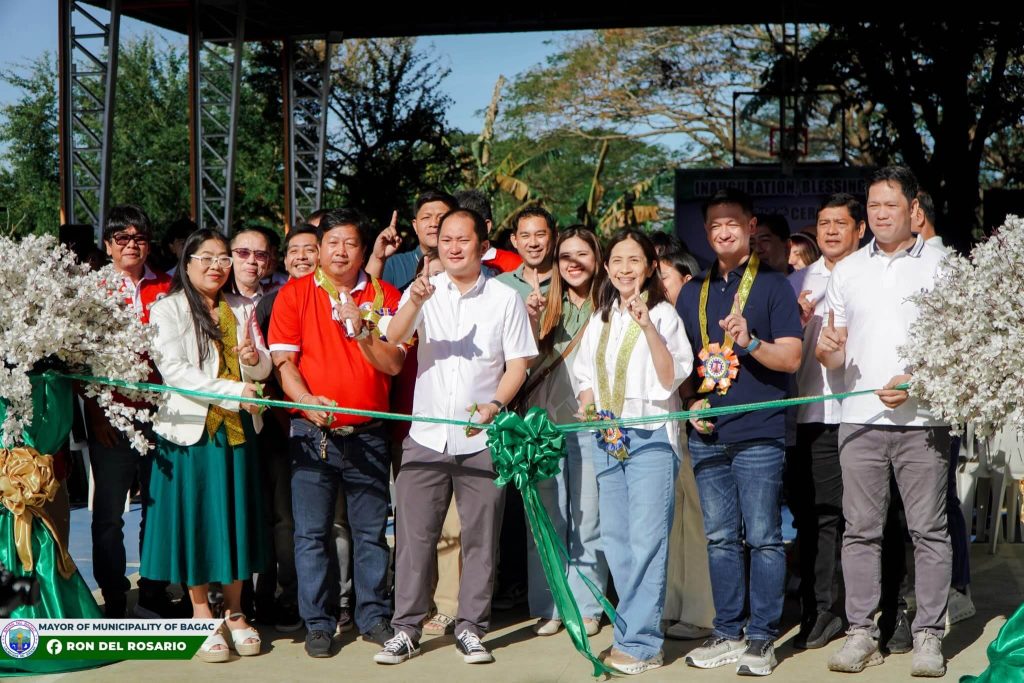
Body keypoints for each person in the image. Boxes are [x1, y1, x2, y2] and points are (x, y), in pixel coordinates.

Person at [374, 208, 536, 666]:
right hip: (425, 436)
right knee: (414, 537)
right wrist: (416, 301)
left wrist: (494, 406)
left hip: (481, 440)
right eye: (446, 239)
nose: (454, 246)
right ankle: (406, 628)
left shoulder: (505, 297)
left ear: (483, 246)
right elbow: (392, 337)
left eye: (463, 239)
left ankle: (471, 627)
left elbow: (518, 364)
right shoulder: (425, 290)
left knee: (480, 538)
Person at [819, 166, 951, 678]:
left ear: (913, 209)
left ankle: (928, 636)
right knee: (860, 532)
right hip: (859, 419)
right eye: (872, 206)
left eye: (889, 205)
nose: (878, 214)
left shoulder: (943, 266)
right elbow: (834, 356)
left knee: (928, 532)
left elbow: (960, 347)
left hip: (925, 421)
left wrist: (918, 378)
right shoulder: (846, 270)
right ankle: (860, 633)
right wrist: (828, 352)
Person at [269, 209, 404, 658]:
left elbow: (394, 364)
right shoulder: (294, 295)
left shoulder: (385, 295)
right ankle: (319, 623)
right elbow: (284, 364)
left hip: (369, 433)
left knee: (370, 533)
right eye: (332, 243)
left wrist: (364, 329)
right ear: (320, 248)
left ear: (363, 251)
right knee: (311, 534)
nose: (341, 251)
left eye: (350, 243)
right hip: (312, 432)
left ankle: (373, 617)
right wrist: (306, 401)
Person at [677, 188, 802, 677]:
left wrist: (749, 342)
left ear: (751, 227)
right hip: (708, 432)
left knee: (765, 537)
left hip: (759, 431)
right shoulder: (692, 292)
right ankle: (727, 631)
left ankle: (762, 638)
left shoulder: (774, 286)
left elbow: (791, 358)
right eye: (714, 226)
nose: (723, 231)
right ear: (705, 234)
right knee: (721, 539)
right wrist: (689, 402)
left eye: (732, 223)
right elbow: (684, 366)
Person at [143, 228, 272, 663]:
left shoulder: (240, 307)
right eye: (208, 257)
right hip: (190, 434)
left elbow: (262, 367)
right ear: (188, 261)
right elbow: (174, 370)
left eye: (223, 258)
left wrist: (255, 362)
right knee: (196, 521)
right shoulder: (168, 308)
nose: (217, 266)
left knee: (236, 520)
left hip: (237, 430)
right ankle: (202, 614)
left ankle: (236, 611)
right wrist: (231, 390)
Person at [573, 229, 693, 675]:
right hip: (606, 438)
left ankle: (642, 645)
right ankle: (629, 633)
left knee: (647, 542)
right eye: (617, 260)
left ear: (650, 268)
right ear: (607, 268)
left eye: (634, 260)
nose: (624, 268)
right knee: (616, 542)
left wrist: (646, 324)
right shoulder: (600, 317)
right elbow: (584, 377)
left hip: (650, 439)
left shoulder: (663, 315)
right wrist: (589, 407)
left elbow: (670, 378)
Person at [84, 204, 174, 619]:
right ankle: (115, 597)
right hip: (112, 419)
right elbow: (79, 358)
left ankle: (153, 591)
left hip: (163, 416)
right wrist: (97, 413)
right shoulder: (90, 290)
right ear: (108, 245)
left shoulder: (170, 287)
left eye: (139, 238)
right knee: (108, 515)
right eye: (122, 238)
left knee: (158, 509)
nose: (131, 245)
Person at [786, 193, 866, 650]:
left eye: (841, 223)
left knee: (864, 518)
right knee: (815, 515)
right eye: (823, 222)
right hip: (812, 413)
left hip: (863, 413)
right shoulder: (796, 282)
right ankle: (819, 608)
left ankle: (858, 607)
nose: (831, 230)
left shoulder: (870, 278)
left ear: (860, 230)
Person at [524, 226, 609, 637]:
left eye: (582, 255)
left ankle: (588, 606)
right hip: (544, 425)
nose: (573, 263)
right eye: (565, 257)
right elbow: (521, 360)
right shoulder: (543, 305)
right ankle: (550, 605)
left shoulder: (610, 306)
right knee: (548, 517)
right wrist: (534, 320)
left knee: (588, 518)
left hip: (592, 426)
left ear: (597, 258)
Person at [250, 224, 319, 632]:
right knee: (276, 517)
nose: (301, 257)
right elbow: (267, 370)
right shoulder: (270, 304)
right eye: (294, 250)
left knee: (299, 522)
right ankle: (266, 595)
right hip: (276, 426)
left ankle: (298, 597)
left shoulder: (335, 300)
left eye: (310, 249)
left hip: (319, 425)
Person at [657, 249, 715, 642]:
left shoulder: (697, 320)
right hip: (662, 431)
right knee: (669, 522)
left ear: (687, 279)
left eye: (662, 275)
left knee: (697, 520)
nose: (654, 284)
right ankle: (669, 606)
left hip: (700, 430)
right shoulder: (648, 317)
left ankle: (700, 611)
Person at [366, 190, 458, 290]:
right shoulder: (394, 265)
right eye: (426, 217)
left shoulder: (465, 262)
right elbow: (366, 300)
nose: (434, 223)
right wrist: (377, 258)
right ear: (415, 226)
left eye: (442, 217)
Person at [229, 227, 273, 307]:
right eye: (243, 252)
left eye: (260, 255)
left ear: (269, 263)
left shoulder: (276, 301)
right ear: (229, 256)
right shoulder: (215, 298)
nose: (251, 261)